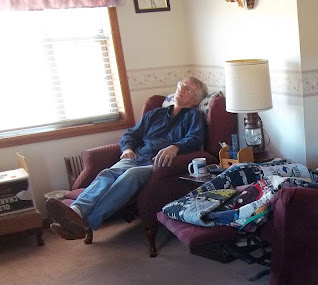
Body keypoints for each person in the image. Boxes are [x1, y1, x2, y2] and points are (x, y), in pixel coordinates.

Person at [46, 76, 209, 240]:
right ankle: (76, 211)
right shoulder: (155, 114)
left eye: (188, 89)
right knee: (108, 173)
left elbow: (195, 139)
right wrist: (128, 149)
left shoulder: (194, 116)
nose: (181, 89)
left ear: (195, 100)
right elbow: (131, 134)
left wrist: (175, 147)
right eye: (181, 85)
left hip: (157, 164)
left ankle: (85, 223)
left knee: (131, 175)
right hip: (138, 157)